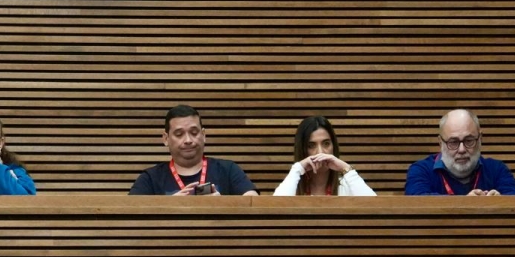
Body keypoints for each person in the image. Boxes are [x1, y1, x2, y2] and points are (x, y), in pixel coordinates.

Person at [129, 105, 258, 196]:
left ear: (203, 135)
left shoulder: (228, 170)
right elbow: (130, 213)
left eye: (194, 132)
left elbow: (253, 200)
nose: (188, 140)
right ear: (166, 139)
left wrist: (222, 204)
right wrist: (170, 207)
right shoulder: (150, 178)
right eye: (179, 134)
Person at [405, 109, 515, 196]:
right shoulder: (421, 170)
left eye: (469, 141)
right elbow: (417, 203)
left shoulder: (497, 170)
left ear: (480, 139)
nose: (461, 150)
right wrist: (465, 203)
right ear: (441, 143)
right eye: (453, 142)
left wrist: (502, 202)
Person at [273, 116, 375, 196]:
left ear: (333, 146)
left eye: (326, 144)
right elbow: (274, 211)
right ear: (302, 150)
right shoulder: (292, 186)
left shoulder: (347, 185)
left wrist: (346, 169)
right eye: (311, 145)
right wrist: (297, 169)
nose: (320, 152)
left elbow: (374, 207)